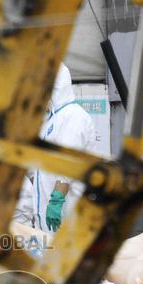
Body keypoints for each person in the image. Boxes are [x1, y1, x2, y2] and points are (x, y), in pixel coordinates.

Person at [13, 63, 96, 232]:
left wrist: (56, 200)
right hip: (49, 221)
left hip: (66, 215)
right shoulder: (52, 121)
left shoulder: (73, 116)